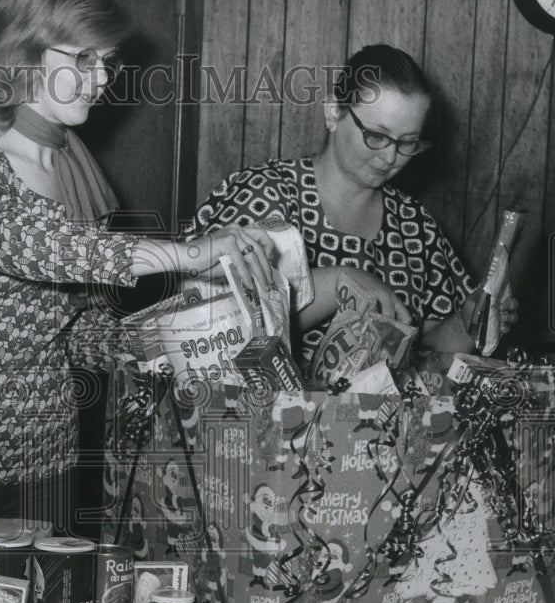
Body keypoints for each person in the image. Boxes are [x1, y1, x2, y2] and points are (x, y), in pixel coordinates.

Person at [0, 0, 276, 532]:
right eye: (82, 59)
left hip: (40, 461)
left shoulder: (76, 171)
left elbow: (78, 334)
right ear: (24, 54)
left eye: (107, 62)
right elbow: (28, 244)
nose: (101, 80)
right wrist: (189, 254)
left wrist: (191, 326)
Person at [192, 44, 517, 364]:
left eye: (407, 143)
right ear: (334, 113)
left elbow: (424, 356)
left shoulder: (416, 225)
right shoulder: (265, 195)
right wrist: (340, 281)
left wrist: (466, 322)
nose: (390, 157)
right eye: (377, 136)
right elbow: (213, 328)